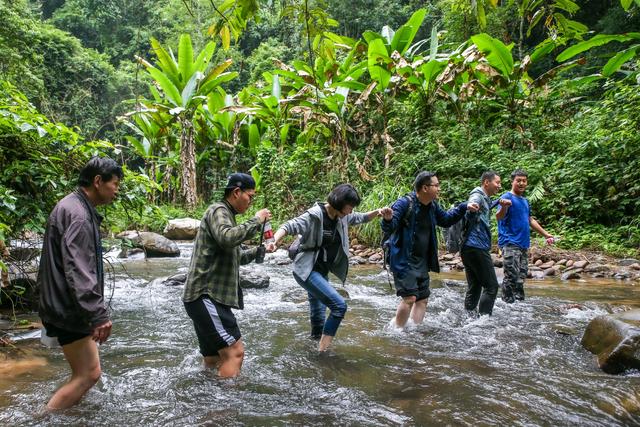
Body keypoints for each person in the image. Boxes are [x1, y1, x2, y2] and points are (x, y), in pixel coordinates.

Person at [37, 157, 122, 410]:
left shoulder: (72, 205)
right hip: (68, 306)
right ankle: (42, 419)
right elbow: (78, 268)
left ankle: (70, 415)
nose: (116, 190)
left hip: (60, 302)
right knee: (89, 374)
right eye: (115, 183)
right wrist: (97, 314)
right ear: (98, 181)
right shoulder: (79, 215)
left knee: (86, 372)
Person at [267, 184, 391, 352]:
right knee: (339, 306)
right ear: (339, 202)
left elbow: (361, 218)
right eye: (350, 207)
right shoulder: (314, 216)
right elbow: (289, 226)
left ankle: (313, 352)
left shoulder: (343, 216)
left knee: (318, 320)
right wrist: (274, 240)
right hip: (307, 270)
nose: (351, 210)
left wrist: (378, 212)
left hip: (321, 271)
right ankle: (322, 353)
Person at [182, 173, 271, 377]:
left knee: (214, 359)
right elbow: (226, 238)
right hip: (206, 295)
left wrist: (259, 251)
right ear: (236, 192)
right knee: (235, 353)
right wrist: (257, 220)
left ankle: (206, 402)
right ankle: (227, 405)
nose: (251, 202)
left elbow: (236, 255)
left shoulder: (227, 217)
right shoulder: (218, 210)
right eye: (250, 196)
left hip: (204, 298)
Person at [381, 171, 479, 329]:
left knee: (423, 298)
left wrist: (464, 207)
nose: (439, 189)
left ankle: (413, 330)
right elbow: (390, 227)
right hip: (403, 260)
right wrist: (387, 219)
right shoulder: (404, 203)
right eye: (436, 185)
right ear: (425, 188)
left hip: (422, 261)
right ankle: (397, 333)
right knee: (410, 298)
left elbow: (446, 220)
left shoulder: (432, 206)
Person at [496, 169, 556, 303]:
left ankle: (519, 304)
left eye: (524, 181)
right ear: (512, 182)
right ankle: (506, 304)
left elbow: (530, 220)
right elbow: (498, 217)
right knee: (511, 276)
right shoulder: (506, 197)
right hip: (510, 243)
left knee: (521, 277)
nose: (521, 183)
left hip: (523, 244)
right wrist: (504, 207)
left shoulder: (524, 201)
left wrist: (546, 234)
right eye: (518, 181)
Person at [460, 171, 510, 317]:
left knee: (475, 285)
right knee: (491, 286)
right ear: (486, 182)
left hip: (468, 247)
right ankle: (484, 321)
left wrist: (499, 203)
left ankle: (469, 318)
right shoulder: (477, 196)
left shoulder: (485, 198)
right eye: (497, 183)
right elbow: (472, 205)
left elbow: (484, 207)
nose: (499, 186)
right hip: (476, 246)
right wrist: (470, 207)